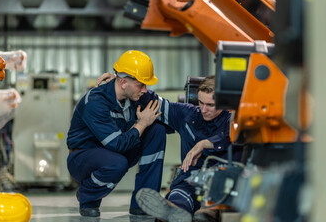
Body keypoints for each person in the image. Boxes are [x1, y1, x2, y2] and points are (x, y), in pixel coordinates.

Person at [96, 74, 241, 222]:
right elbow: (150, 100)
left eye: (210, 105)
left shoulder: (233, 121)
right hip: (190, 180)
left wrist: (204, 143)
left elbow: (235, 138)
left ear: (223, 102)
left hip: (220, 182)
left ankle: (207, 210)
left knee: (214, 196)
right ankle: (173, 211)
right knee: (178, 196)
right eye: (200, 103)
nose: (204, 109)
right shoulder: (187, 114)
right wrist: (119, 82)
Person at [67, 50, 167, 217]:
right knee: (117, 163)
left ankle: (143, 203)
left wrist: (197, 112)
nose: (145, 90)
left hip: (112, 152)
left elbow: (163, 107)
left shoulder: (134, 94)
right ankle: (87, 196)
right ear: (123, 83)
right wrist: (141, 123)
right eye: (141, 85)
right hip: (82, 158)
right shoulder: (95, 102)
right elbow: (117, 145)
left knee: (157, 131)